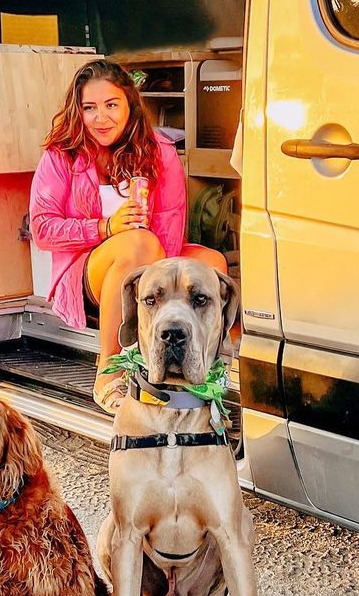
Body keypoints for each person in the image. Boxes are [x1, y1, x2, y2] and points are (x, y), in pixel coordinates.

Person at [30, 59, 227, 413]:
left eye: (111, 105)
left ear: (129, 104)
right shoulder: (62, 155)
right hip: (89, 274)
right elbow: (42, 228)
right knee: (137, 242)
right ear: (78, 111)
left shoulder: (159, 152)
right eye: (89, 108)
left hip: (151, 265)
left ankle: (199, 362)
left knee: (212, 264)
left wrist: (157, 277)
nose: (100, 118)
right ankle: (108, 369)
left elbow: (170, 228)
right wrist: (106, 227)